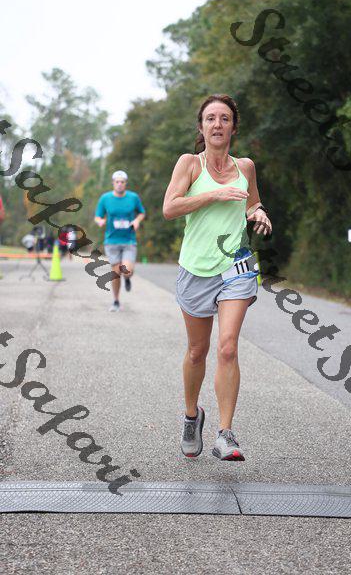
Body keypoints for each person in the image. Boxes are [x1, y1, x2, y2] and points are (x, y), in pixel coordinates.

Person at [163, 94, 272, 461]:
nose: (217, 124)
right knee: (198, 351)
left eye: (224, 118)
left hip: (236, 266)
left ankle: (225, 434)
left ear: (233, 127)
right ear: (201, 127)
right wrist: (214, 195)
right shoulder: (189, 164)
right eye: (210, 118)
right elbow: (170, 208)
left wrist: (259, 213)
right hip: (195, 268)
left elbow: (252, 202)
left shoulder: (246, 167)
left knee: (227, 346)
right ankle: (191, 415)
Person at [95, 170, 146, 312]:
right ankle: (116, 301)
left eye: (122, 182)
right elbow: (98, 216)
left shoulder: (133, 197)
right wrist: (100, 221)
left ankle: (127, 278)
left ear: (125, 183)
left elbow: (142, 212)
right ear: (113, 183)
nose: (119, 184)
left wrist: (137, 220)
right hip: (112, 241)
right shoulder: (105, 198)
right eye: (117, 182)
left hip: (129, 240)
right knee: (116, 272)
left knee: (126, 271)